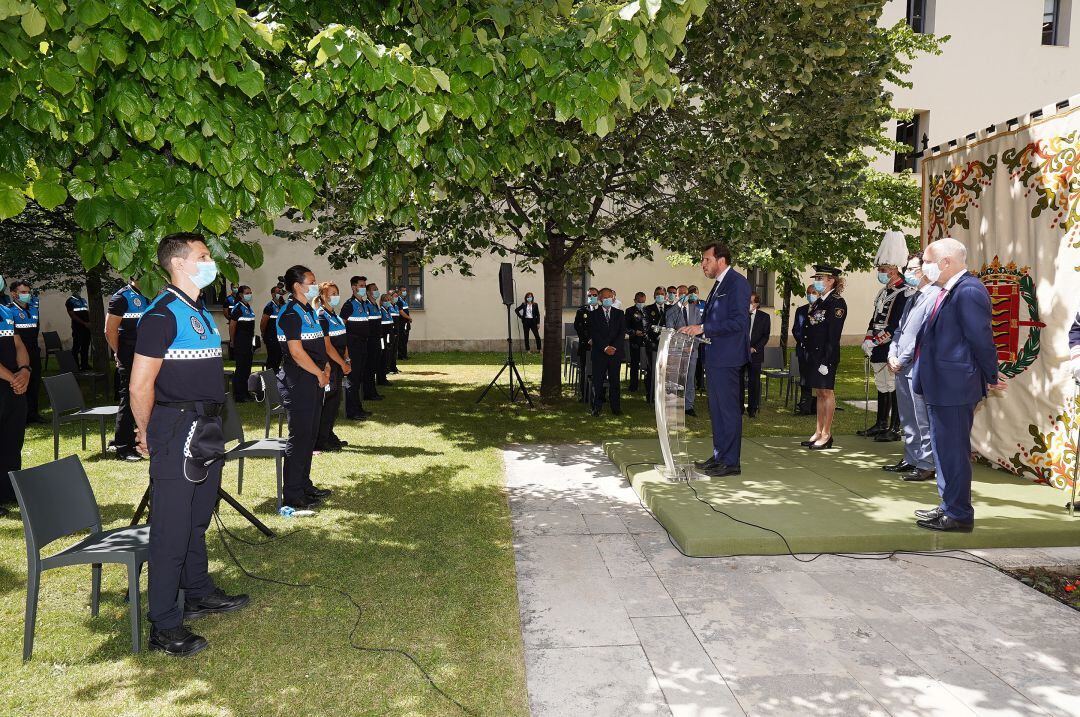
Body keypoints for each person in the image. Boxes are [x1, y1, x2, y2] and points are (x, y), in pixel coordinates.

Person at [129, 233, 250, 657]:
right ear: (179, 264)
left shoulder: (197, 310)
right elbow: (141, 383)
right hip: (178, 427)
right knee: (171, 528)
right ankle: (164, 622)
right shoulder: (161, 314)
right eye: (202, 256)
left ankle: (197, 590)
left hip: (206, 426)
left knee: (199, 515)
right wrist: (145, 431)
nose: (210, 261)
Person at [911, 237, 1003, 532]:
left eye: (927, 261)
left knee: (953, 451)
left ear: (946, 262)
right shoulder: (948, 290)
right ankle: (948, 505)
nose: (925, 266)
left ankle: (959, 514)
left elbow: (981, 339)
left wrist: (991, 374)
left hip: (955, 386)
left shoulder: (969, 291)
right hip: (942, 384)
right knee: (943, 450)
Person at [683, 243, 751, 477]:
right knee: (717, 410)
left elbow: (739, 322)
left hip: (728, 357)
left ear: (721, 260)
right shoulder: (719, 284)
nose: (703, 264)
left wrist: (702, 328)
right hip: (714, 356)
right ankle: (720, 455)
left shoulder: (737, 283)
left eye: (706, 260)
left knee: (728, 410)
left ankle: (731, 462)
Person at [276, 265, 333, 510]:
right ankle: (292, 492)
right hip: (299, 382)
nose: (314, 285)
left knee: (310, 436)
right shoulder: (290, 313)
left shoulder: (308, 310)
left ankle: (304, 485)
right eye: (311, 281)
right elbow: (297, 353)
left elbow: (320, 345)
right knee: (299, 437)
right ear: (297, 285)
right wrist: (320, 373)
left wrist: (327, 368)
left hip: (315, 379)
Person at [885, 252, 940, 482]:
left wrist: (902, 358)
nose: (907, 273)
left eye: (912, 269)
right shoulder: (911, 298)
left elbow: (922, 335)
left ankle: (926, 464)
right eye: (907, 269)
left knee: (922, 418)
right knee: (907, 416)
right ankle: (911, 458)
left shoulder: (936, 296)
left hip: (917, 366)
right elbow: (899, 331)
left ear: (925, 271)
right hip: (901, 365)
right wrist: (891, 354)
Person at [858, 231, 910, 441]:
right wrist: (868, 338)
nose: (880, 272)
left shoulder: (904, 292)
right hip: (878, 344)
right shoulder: (883, 292)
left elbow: (896, 324)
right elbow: (875, 318)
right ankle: (881, 423)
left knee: (893, 386)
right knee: (882, 385)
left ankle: (896, 427)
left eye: (883, 269)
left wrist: (879, 340)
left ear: (895, 270)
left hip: (891, 344)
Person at [800, 265, 847, 450]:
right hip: (814, 355)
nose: (817, 282)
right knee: (819, 393)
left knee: (827, 392)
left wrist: (826, 360)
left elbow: (833, 335)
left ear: (831, 281)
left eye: (821, 279)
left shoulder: (837, 303)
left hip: (826, 356)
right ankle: (818, 431)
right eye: (816, 278)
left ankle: (827, 434)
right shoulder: (819, 302)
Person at [107, 276, 150, 462]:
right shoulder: (121, 297)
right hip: (129, 354)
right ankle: (123, 446)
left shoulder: (150, 294)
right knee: (129, 397)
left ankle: (138, 439)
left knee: (147, 396)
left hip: (148, 354)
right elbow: (110, 331)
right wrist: (118, 353)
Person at [0, 289, 30, 515]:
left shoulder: (6, 310)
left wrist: (25, 371)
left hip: (13, 386)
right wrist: (14, 378)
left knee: (12, 438)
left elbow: (18, 344)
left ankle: (9, 490)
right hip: (9, 382)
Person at [314, 282, 351, 452]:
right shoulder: (322, 316)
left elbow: (343, 339)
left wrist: (347, 359)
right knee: (327, 403)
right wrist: (342, 363)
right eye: (331, 293)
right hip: (329, 366)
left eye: (337, 292)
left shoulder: (334, 315)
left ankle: (328, 434)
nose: (335, 296)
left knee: (334, 403)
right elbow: (327, 347)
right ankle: (320, 440)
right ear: (322, 296)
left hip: (339, 365)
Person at [665, 285, 703, 416]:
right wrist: (682, 346)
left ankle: (689, 406)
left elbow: (699, 331)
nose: (682, 295)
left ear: (689, 294)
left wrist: (691, 346)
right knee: (675, 379)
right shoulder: (671, 312)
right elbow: (671, 332)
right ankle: (673, 405)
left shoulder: (696, 310)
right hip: (676, 351)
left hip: (692, 351)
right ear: (676, 295)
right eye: (680, 293)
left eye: (685, 293)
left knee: (690, 379)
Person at [587, 288, 625, 416]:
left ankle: (616, 407)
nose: (608, 299)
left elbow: (621, 333)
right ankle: (596, 407)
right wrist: (605, 347)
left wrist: (613, 347)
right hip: (600, 353)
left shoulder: (619, 314)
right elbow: (594, 334)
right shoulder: (593, 315)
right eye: (605, 297)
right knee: (598, 381)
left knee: (615, 381)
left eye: (610, 296)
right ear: (600, 299)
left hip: (615, 353)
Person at [9, 281, 43, 423]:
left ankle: (33, 414)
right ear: (13, 293)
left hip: (34, 352)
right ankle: (20, 417)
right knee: (20, 383)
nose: (26, 295)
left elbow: (36, 328)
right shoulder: (9, 310)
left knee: (34, 382)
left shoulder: (34, 309)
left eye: (28, 292)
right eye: (23, 292)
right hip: (19, 354)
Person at [340, 276, 372, 419]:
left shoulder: (363, 304)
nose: (364, 288)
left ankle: (358, 408)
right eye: (361, 285)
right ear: (353, 287)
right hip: (353, 347)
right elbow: (342, 325)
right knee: (352, 380)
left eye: (365, 285)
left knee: (358, 378)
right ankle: (352, 412)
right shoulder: (349, 305)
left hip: (363, 345)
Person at [742, 292, 771, 418]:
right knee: (739, 381)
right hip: (740, 353)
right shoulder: (741, 316)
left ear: (757, 304)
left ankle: (752, 408)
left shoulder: (764, 317)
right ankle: (739, 407)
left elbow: (765, 336)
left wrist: (754, 348)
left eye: (751, 302)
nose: (748, 304)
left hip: (755, 354)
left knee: (754, 382)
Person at [791, 285, 818, 415]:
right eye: (808, 293)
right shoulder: (801, 310)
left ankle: (817, 405)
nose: (810, 295)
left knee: (817, 380)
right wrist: (803, 341)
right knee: (804, 379)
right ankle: (804, 405)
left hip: (817, 352)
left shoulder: (823, 309)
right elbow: (796, 329)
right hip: (803, 350)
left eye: (813, 292)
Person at [227, 285, 256, 403]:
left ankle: (245, 392)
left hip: (248, 341)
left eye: (250, 292)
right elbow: (232, 325)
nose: (249, 294)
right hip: (240, 341)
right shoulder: (238, 307)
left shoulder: (248, 307)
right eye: (247, 293)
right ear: (240, 295)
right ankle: (239, 395)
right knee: (241, 368)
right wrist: (232, 340)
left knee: (247, 367)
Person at [642, 286, 667, 403]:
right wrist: (658, 336)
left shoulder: (670, 309)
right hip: (652, 344)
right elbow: (647, 326)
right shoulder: (647, 309)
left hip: (666, 345)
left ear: (666, 296)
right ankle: (650, 395)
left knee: (665, 371)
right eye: (658, 294)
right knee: (651, 370)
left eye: (662, 294)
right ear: (654, 296)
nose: (660, 296)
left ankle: (663, 395)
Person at [573, 287, 599, 401]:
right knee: (584, 371)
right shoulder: (581, 311)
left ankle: (599, 395)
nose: (592, 297)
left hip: (600, 346)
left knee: (600, 371)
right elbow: (578, 327)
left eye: (594, 295)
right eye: (590, 295)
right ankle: (585, 395)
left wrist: (597, 340)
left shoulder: (603, 310)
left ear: (598, 296)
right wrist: (588, 339)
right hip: (585, 345)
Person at [362, 282, 384, 401]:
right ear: (368, 292)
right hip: (369, 341)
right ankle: (368, 393)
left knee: (374, 365)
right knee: (369, 367)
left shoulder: (375, 305)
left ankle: (373, 391)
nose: (376, 291)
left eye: (377, 289)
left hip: (376, 340)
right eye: (374, 289)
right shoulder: (366, 305)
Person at [625, 292, 648, 393]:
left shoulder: (647, 310)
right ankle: (633, 386)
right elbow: (625, 327)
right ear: (635, 301)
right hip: (635, 341)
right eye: (639, 301)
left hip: (646, 341)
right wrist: (634, 332)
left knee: (647, 364)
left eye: (643, 301)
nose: (641, 303)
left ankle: (647, 385)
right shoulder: (630, 311)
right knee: (634, 364)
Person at [261, 284, 286, 375]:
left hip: (280, 337)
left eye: (281, 292)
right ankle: (269, 381)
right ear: (272, 294)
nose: (280, 294)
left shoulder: (283, 306)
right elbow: (263, 323)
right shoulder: (270, 307)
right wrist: (264, 334)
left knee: (279, 358)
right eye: (278, 292)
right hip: (271, 337)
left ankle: (277, 378)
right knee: (272, 359)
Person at [66, 281, 92, 370]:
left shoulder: (83, 300)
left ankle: (84, 365)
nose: (78, 291)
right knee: (76, 347)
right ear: (72, 290)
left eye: (79, 289)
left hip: (87, 328)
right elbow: (72, 315)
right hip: (78, 328)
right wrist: (84, 323)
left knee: (85, 347)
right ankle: (75, 366)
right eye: (76, 289)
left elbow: (87, 312)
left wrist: (90, 322)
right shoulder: (70, 301)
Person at [377, 291, 395, 384]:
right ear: (382, 301)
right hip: (384, 338)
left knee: (387, 357)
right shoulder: (381, 311)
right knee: (383, 357)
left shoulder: (388, 310)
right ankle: (381, 378)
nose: (388, 301)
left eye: (389, 300)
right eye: (386, 300)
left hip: (388, 337)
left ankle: (384, 376)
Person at [395, 287, 412, 360]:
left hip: (405, 322)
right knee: (402, 339)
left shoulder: (403, 300)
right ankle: (401, 356)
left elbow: (406, 311)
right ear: (399, 291)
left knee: (405, 339)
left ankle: (405, 355)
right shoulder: (399, 300)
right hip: (401, 323)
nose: (405, 292)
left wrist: (408, 318)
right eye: (403, 291)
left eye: (405, 290)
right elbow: (401, 312)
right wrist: (409, 318)